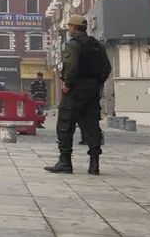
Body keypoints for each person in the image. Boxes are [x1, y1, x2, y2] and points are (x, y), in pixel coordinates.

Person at [44, 15, 109, 176]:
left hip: (75, 89)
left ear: (73, 27)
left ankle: (65, 161)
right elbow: (106, 68)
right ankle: (94, 164)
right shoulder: (97, 45)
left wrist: (67, 84)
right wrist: (97, 82)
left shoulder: (73, 45)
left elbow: (71, 67)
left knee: (65, 123)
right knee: (92, 124)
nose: (69, 29)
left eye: (70, 26)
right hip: (93, 89)